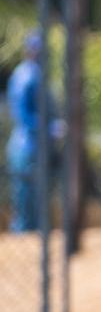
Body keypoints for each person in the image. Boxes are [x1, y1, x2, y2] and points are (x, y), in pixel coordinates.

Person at [6, 33, 43, 233]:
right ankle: (21, 233)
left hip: (32, 145)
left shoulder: (35, 73)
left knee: (34, 201)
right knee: (24, 201)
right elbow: (21, 113)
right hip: (24, 145)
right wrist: (46, 127)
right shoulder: (26, 75)